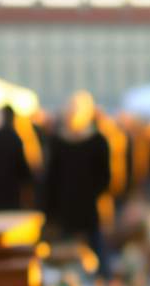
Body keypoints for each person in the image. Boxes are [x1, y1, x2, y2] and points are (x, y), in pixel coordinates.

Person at [40, 91, 113, 275]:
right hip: (72, 210)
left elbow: (104, 178)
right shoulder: (61, 141)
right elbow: (51, 180)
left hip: (83, 209)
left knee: (92, 258)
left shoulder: (96, 141)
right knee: (69, 262)